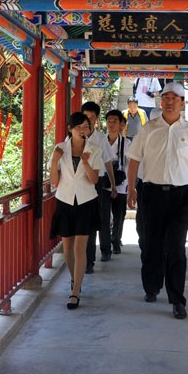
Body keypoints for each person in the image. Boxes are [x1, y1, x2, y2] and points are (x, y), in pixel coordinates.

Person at [126, 82, 188, 320]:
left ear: (182, 103)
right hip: (151, 193)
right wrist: (131, 189)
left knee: (176, 248)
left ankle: (177, 299)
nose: (169, 102)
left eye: (175, 98)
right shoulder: (148, 129)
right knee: (151, 244)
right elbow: (134, 159)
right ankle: (152, 286)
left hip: (180, 196)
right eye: (166, 98)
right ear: (160, 102)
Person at [49, 112, 103, 310]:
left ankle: (75, 292)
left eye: (86, 127)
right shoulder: (60, 149)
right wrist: (55, 161)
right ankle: (75, 279)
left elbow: (94, 180)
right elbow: (54, 180)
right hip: (65, 200)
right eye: (78, 127)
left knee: (80, 247)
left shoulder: (94, 149)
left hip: (86, 201)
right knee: (67, 248)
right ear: (70, 129)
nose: (82, 130)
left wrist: (86, 162)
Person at [81, 101, 117, 273]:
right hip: (78, 184)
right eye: (86, 117)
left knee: (95, 221)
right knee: (81, 223)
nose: (88, 120)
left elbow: (108, 162)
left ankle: (90, 260)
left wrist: (113, 184)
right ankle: (81, 259)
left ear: (96, 119)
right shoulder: (72, 137)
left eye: (92, 117)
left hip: (97, 183)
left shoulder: (101, 139)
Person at [103, 109, 131, 254]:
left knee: (119, 215)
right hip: (104, 184)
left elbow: (130, 165)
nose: (111, 123)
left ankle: (115, 241)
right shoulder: (101, 142)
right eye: (109, 121)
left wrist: (129, 185)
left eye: (115, 121)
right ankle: (105, 247)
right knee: (104, 217)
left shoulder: (127, 143)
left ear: (121, 124)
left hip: (121, 183)